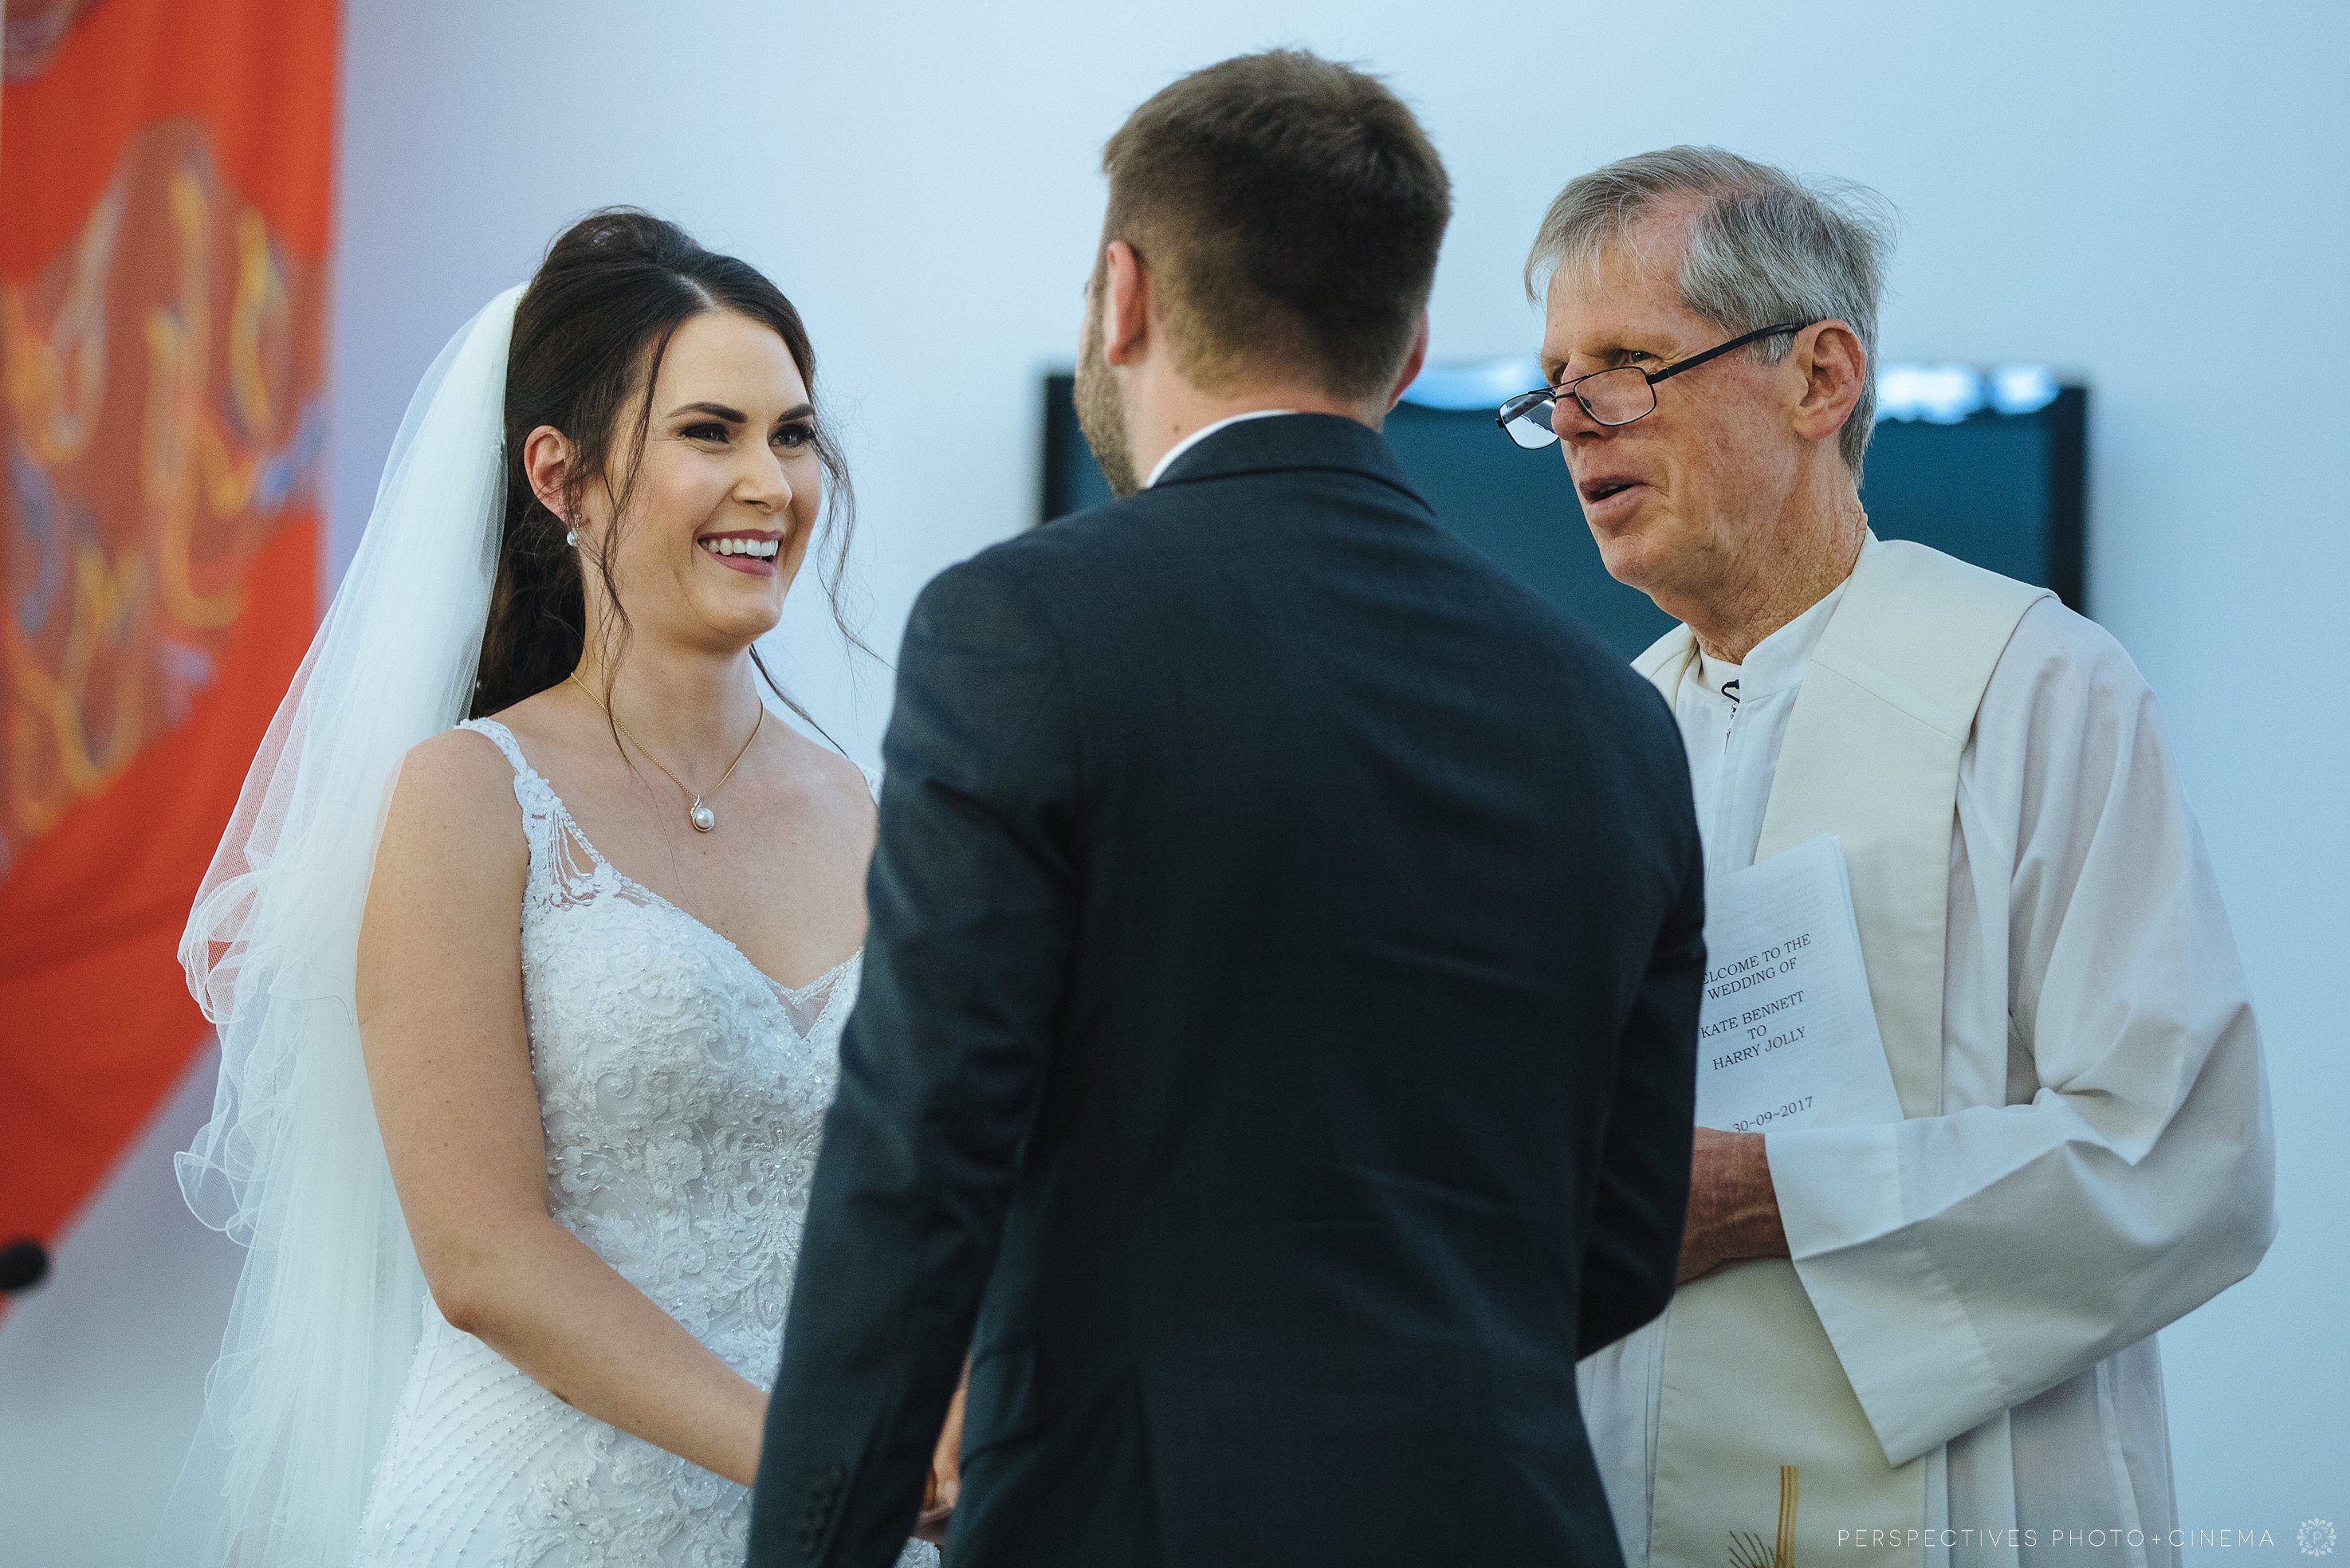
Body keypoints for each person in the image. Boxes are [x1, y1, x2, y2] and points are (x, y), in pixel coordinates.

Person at [748, 50, 1704, 1568]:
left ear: (1122, 295)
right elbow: (1625, 1244)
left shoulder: (1025, 630)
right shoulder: (1613, 722)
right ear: (1405, 357)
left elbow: (917, 1168)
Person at [1503, 147, 2275, 1568]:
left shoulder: (2030, 687)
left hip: (1967, 1503)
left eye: (1623, 363)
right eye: (1552, 383)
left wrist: (1770, 1197)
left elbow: (2181, 1156)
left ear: (1818, 378)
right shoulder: (1603, 740)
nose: (1571, 421)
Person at [167, 211, 943, 1566]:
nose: (771, 481)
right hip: (550, 1514)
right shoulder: (469, 796)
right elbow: (481, 1258)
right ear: (562, 477)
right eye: (711, 433)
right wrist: (813, 1457)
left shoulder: (863, 807)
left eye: (794, 434)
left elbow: (924, 1186)